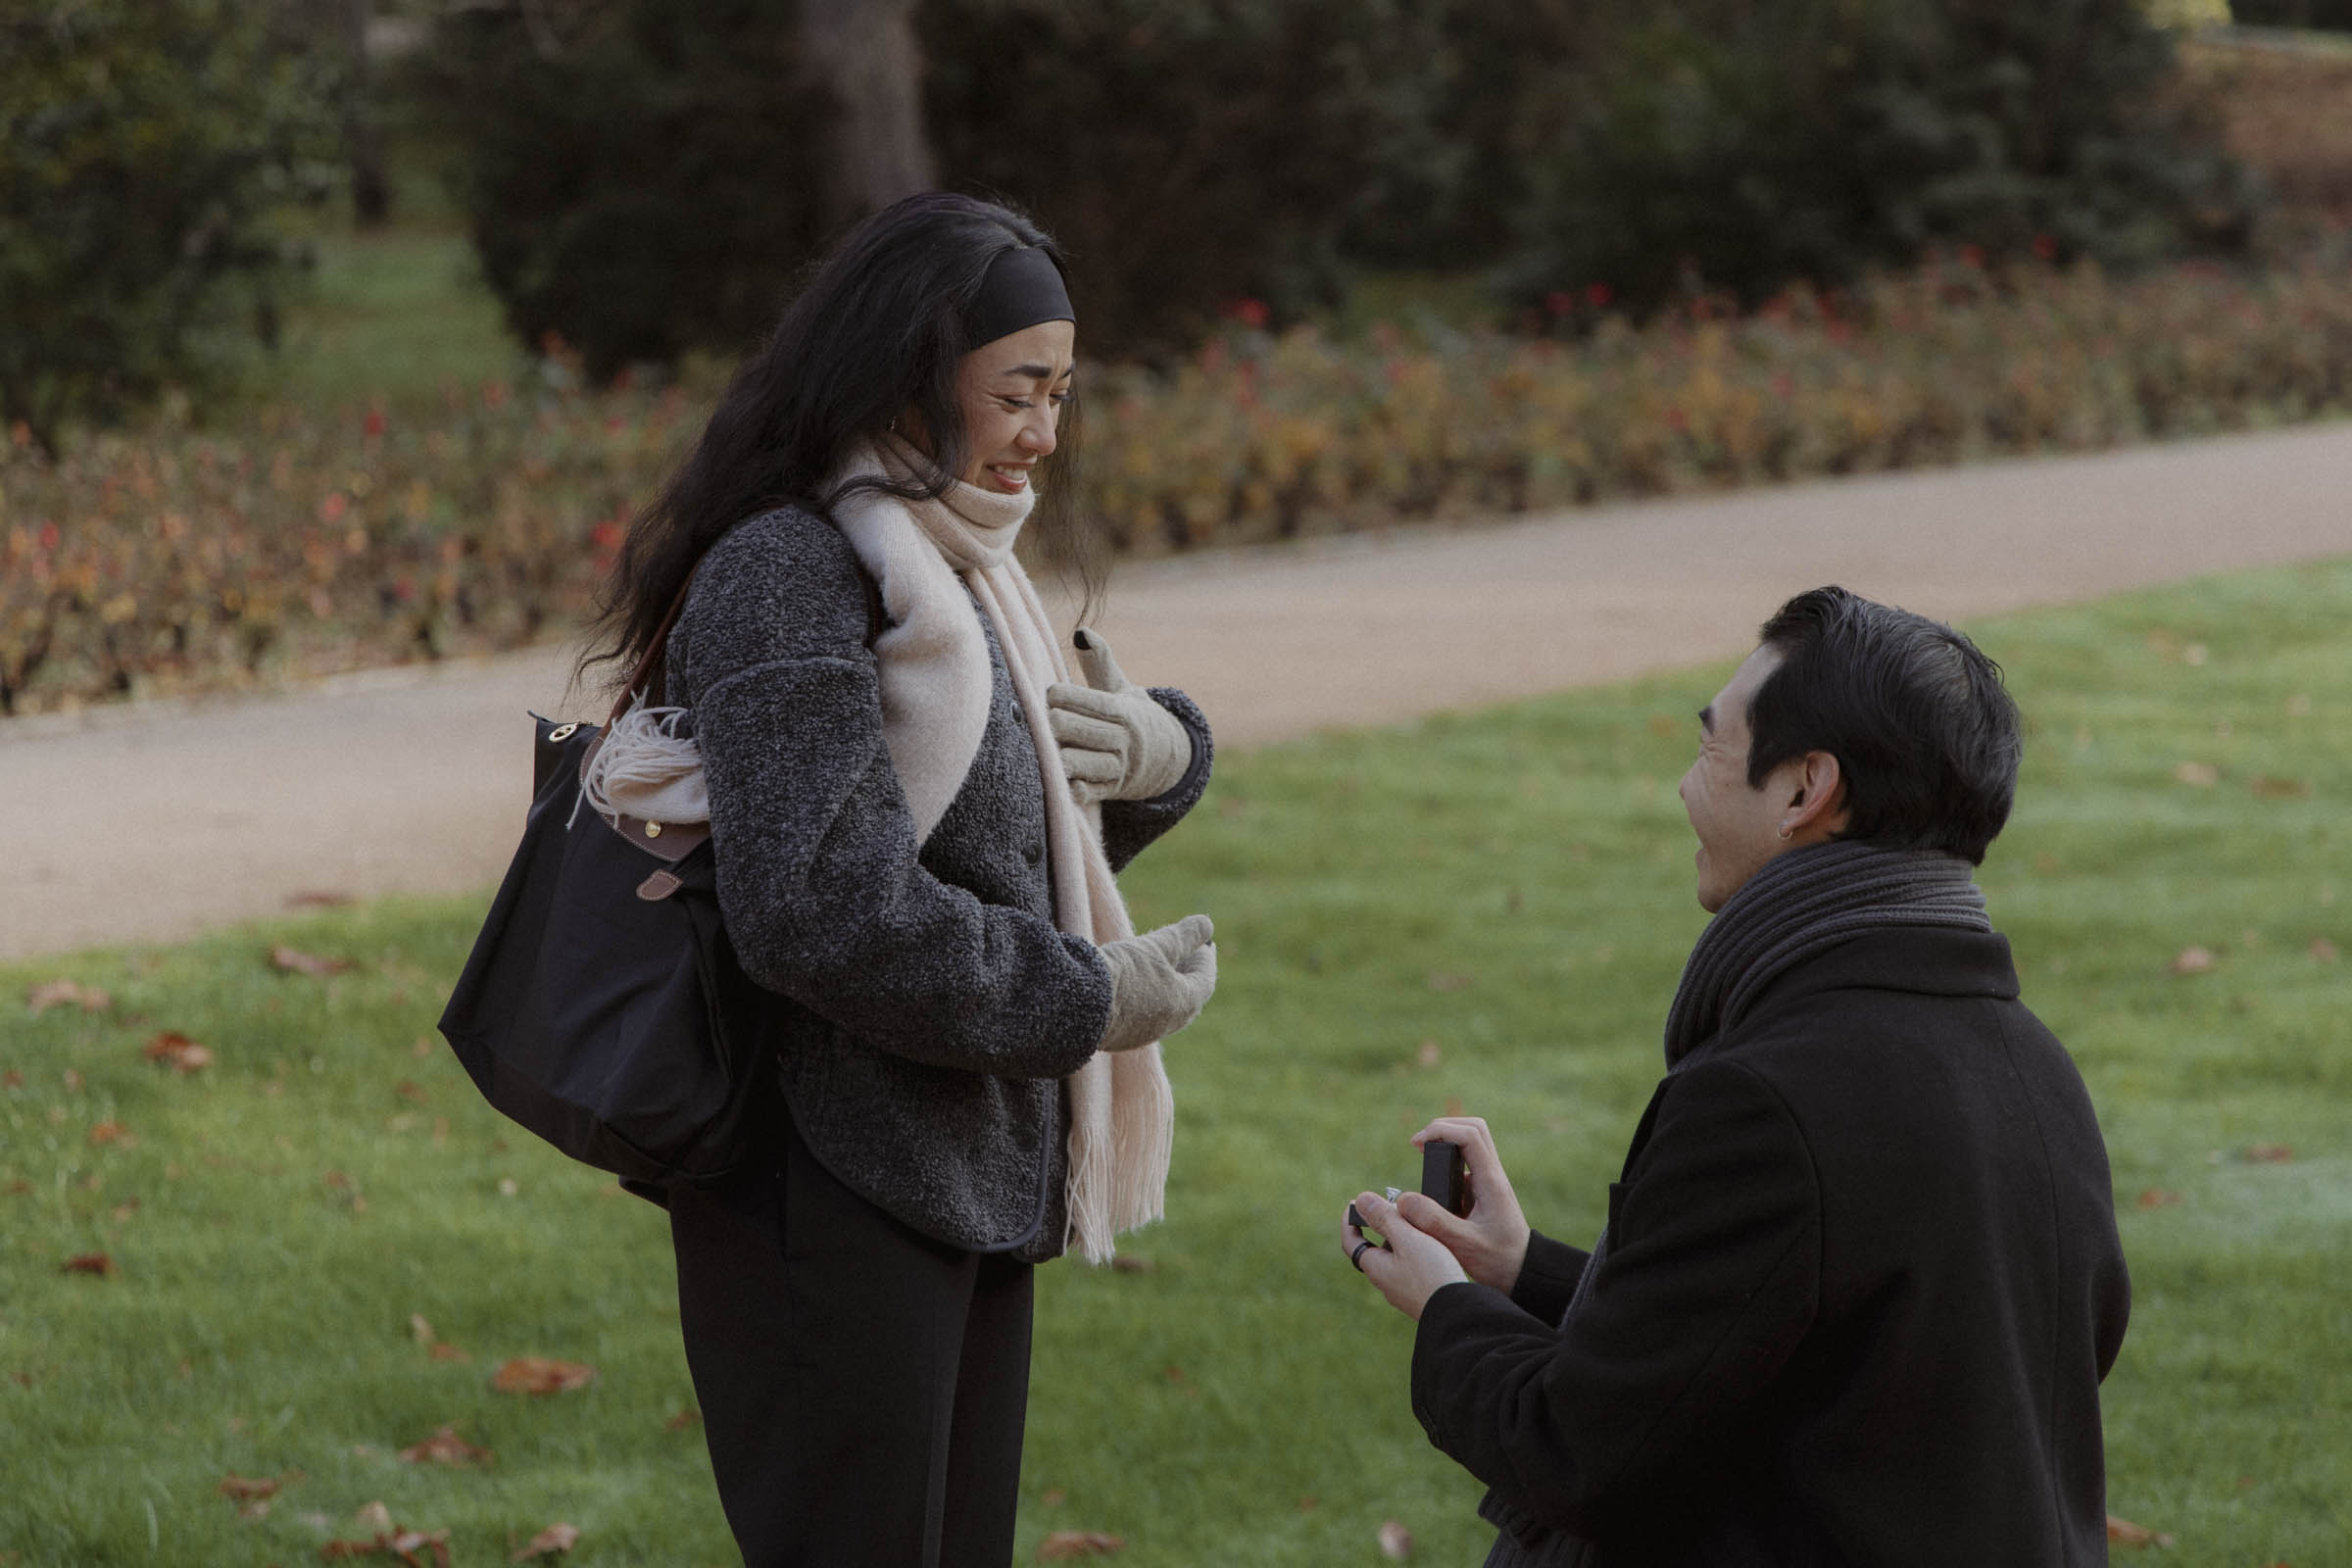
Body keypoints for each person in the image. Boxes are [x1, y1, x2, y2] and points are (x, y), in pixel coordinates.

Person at [578, 193, 1220, 1567]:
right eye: (1017, 391)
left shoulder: (959, 571)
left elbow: (994, 850)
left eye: (1061, 392)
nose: (1045, 431)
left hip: (968, 1157)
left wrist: (1166, 757)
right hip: (832, 1179)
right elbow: (821, 906)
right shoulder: (791, 575)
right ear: (910, 379)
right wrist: (1086, 993)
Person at [1344, 586, 2130, 1565]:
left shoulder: (1769, 1097)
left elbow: (1581, 1452)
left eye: (1711, 747)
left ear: (1806, 789)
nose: (1685, 786)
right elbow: (1819, 1344)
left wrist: (1449, 1308)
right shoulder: (2033, 1066)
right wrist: (1523, 1275)